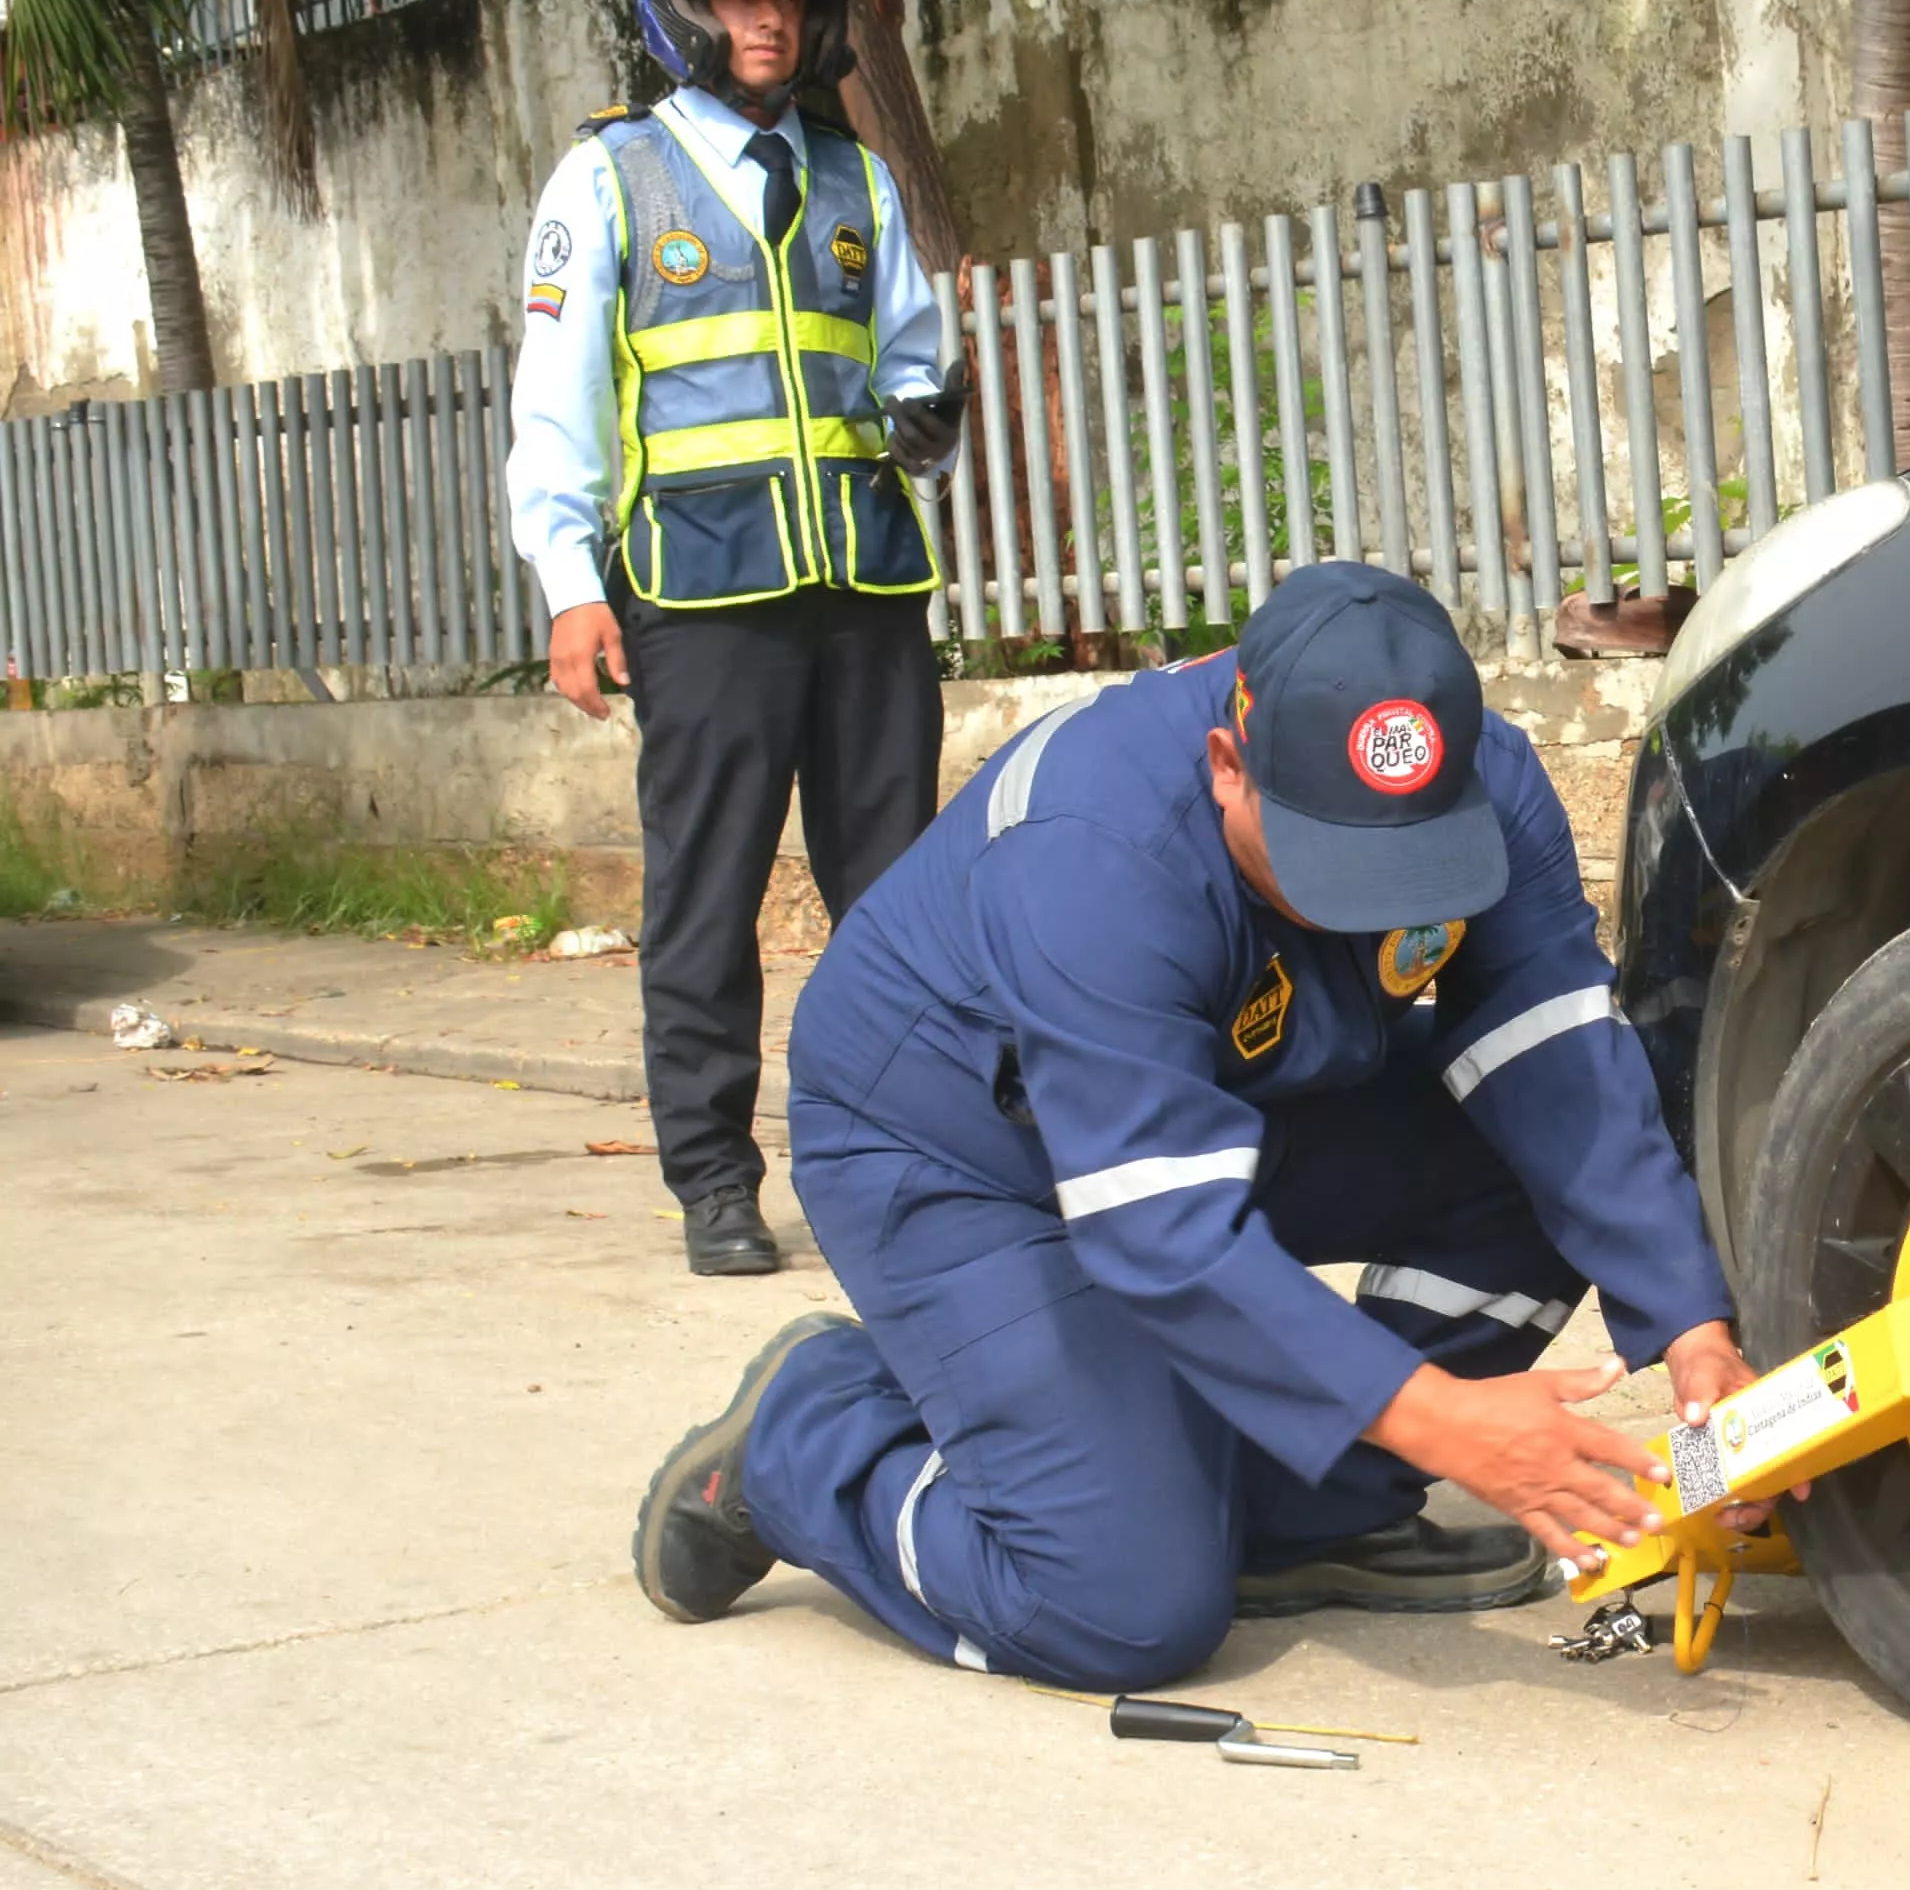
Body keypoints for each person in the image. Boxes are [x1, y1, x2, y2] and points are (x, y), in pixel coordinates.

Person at [627, 563, 1759, 1684]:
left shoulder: (1486, 784)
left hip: (1230, 1107)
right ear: (1229, 765)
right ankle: (809, 1436)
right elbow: (1160, 1228)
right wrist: (1439, 1421)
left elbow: (1557, 1068)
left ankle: (1301, 1510)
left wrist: (1691, 1327)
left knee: (1524, 1165)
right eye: (1336, 862)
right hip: (960, 1151)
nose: (1380, 903)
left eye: (1412, 862)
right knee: (1117, 1608)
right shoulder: (1092, 849)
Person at [503, 0, 971, 1278]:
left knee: (899, 900)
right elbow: (555, 399)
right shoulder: (612, 180)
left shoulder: (857, 182)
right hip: (699, 599)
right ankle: (714, 1177)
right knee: (705, 898)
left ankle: (922, 1163)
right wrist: (571, 582)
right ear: (687, 8)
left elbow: (914, 364)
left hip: (867, 591)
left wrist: (931, 413)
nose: (770, 19)